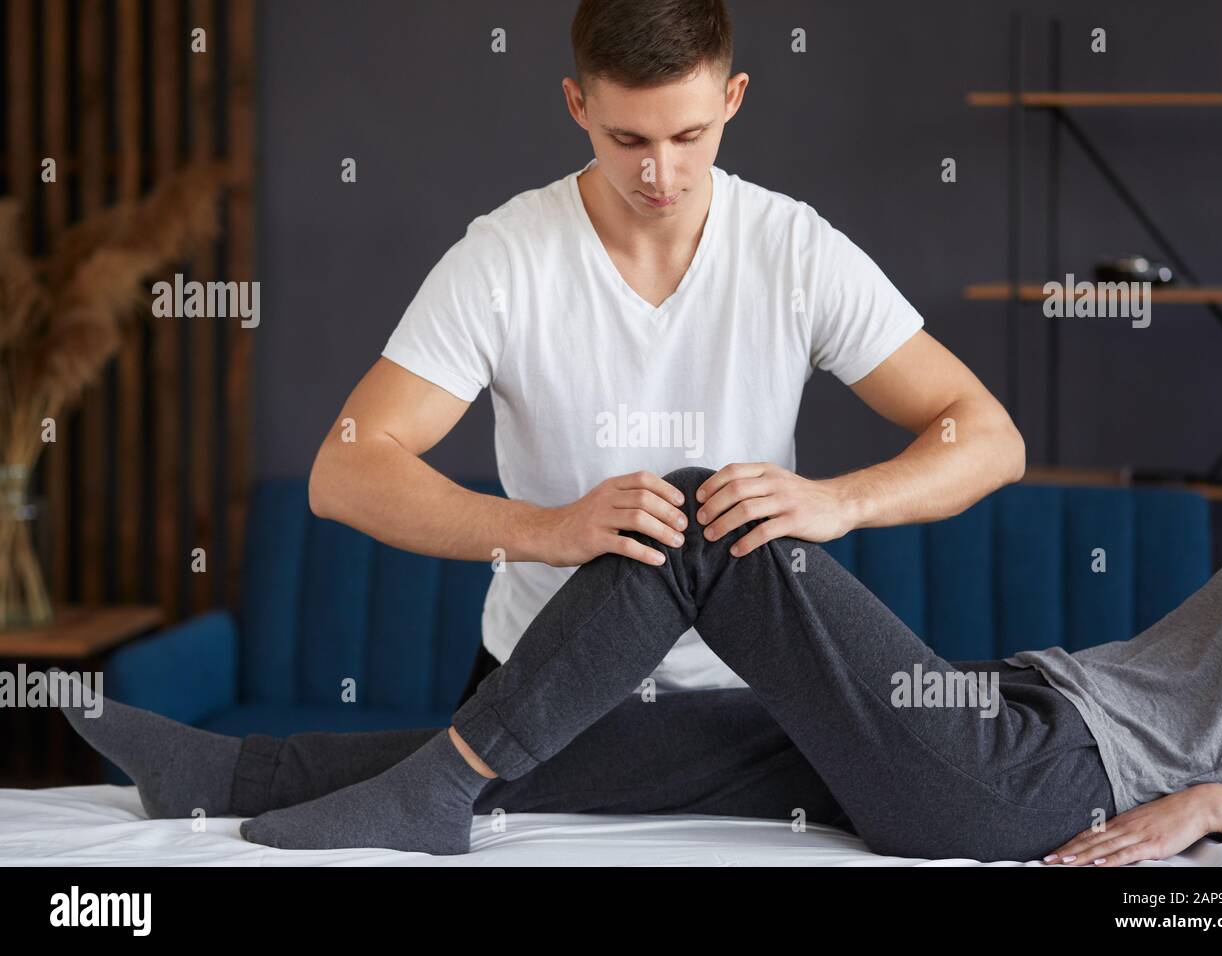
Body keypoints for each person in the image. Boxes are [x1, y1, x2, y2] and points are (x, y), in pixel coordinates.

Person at [306, 0, 1027, 711]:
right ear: (577, 104)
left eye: (689, 135)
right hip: (542, 676)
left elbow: (990, 439)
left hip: (750, 686)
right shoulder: (503, 259)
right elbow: (345, 469)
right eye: (628, 140)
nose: (660, 174)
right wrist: (547, 530)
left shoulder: (795, 251)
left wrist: (841, 501)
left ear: (732, 96)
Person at [57, 467, 1222, 864]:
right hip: (1015, 710)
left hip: (1040, 781)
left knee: (707, 512)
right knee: (629, 739)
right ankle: (235, 769)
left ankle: (429, 795)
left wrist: (1219, 805)